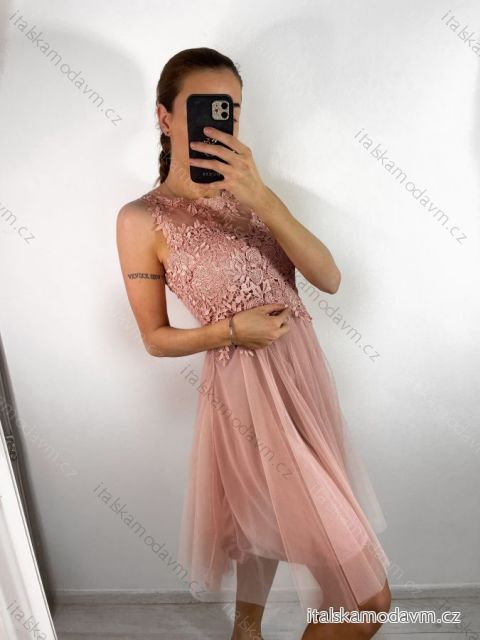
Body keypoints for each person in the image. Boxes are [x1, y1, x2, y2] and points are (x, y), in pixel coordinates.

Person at [116, 47, 392, 640]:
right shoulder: (141, 219)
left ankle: (246, 632)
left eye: (231, 109)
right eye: (205, 107)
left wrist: (262, 196)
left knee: (267, 520)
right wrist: (231, 331)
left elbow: (329, 278)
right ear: (165, 116)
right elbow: (155, 340)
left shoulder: (259, 194)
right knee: (367, 599)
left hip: (303, 382)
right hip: (245, 393)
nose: (222, 120)